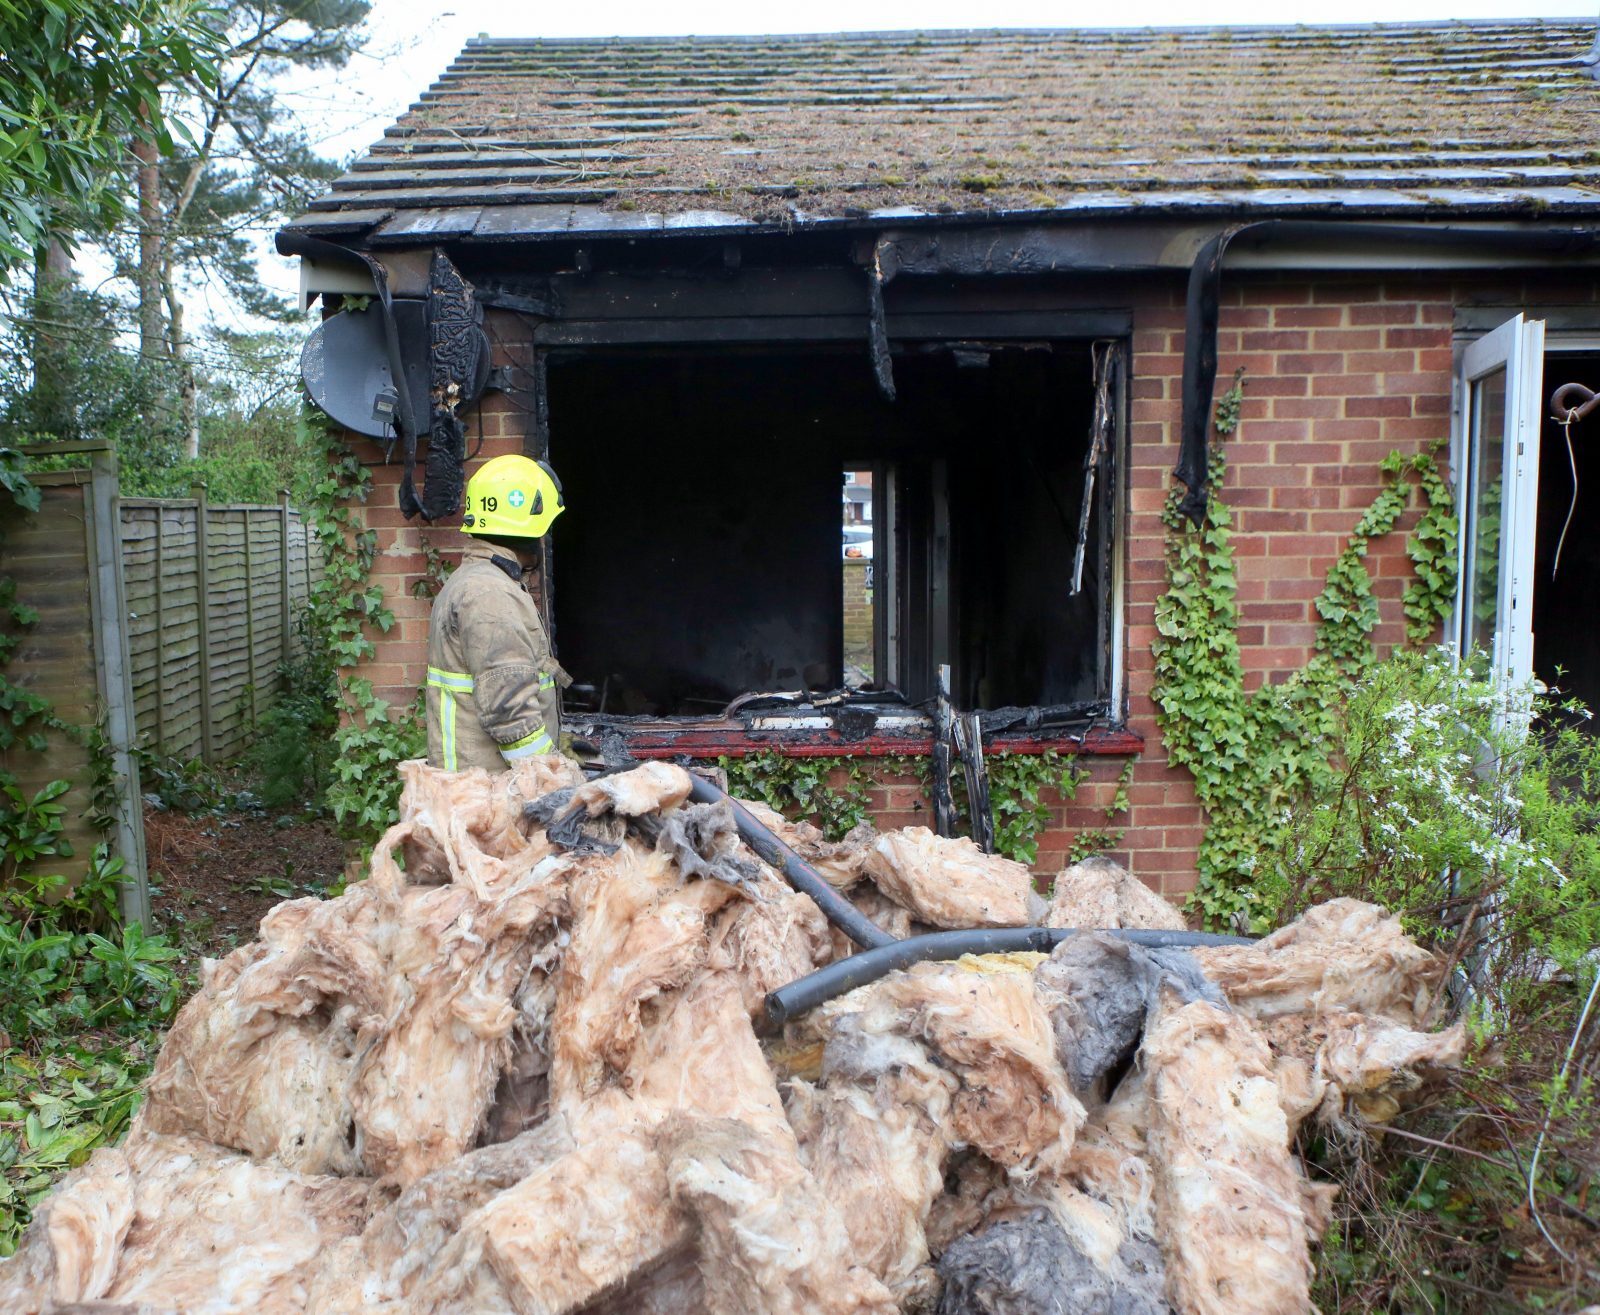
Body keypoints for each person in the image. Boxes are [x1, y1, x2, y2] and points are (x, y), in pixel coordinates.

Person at [425, 454, 570, 771]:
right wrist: (552, 776)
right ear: (529, 530)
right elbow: (509, 711)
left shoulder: (479, 581)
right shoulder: (489, 595)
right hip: (489, 792)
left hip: (476, 786)